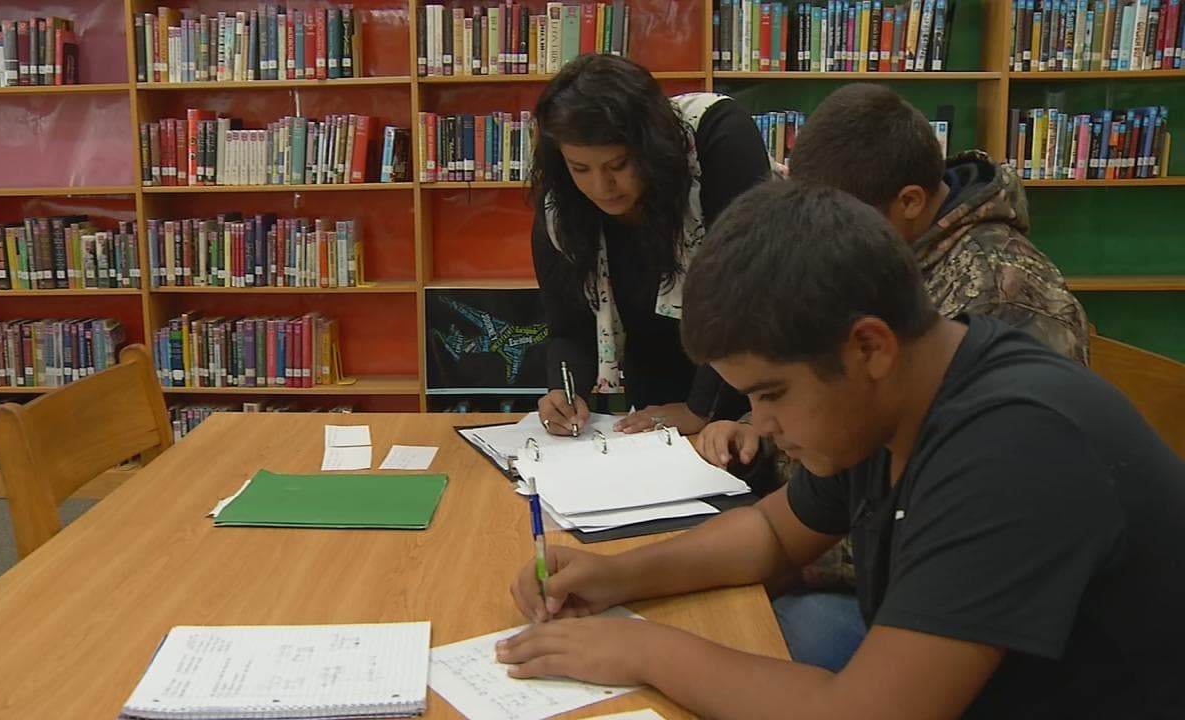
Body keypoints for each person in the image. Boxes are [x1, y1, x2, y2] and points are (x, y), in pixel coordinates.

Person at [499, 181, 1185, 719]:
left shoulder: (1016, 445)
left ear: (868, 347)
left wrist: (641, 647)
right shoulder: (890, 399)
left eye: (770, 395)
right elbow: (772, 533)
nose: (761, 423)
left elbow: (864, 714)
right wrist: (613, 577)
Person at [693, 84, 1092, 611]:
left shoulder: (1005, 299)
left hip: (891, 579)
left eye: (839, 218)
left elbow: (967, 525)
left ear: (909, 202)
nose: (816, 241)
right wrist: (752, 431)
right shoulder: (870, 271)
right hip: (819, 518)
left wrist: (785, 565)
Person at [530, 54, 770, 437]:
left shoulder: (715, 136)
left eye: (618, 164)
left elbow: (746, 295)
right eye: (581, 169)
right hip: (660, 393)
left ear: (651, 145)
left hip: (759, 389)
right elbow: (569, 327)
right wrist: (564, 390)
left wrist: (699, 410)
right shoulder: (562, 209)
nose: (601, 187)